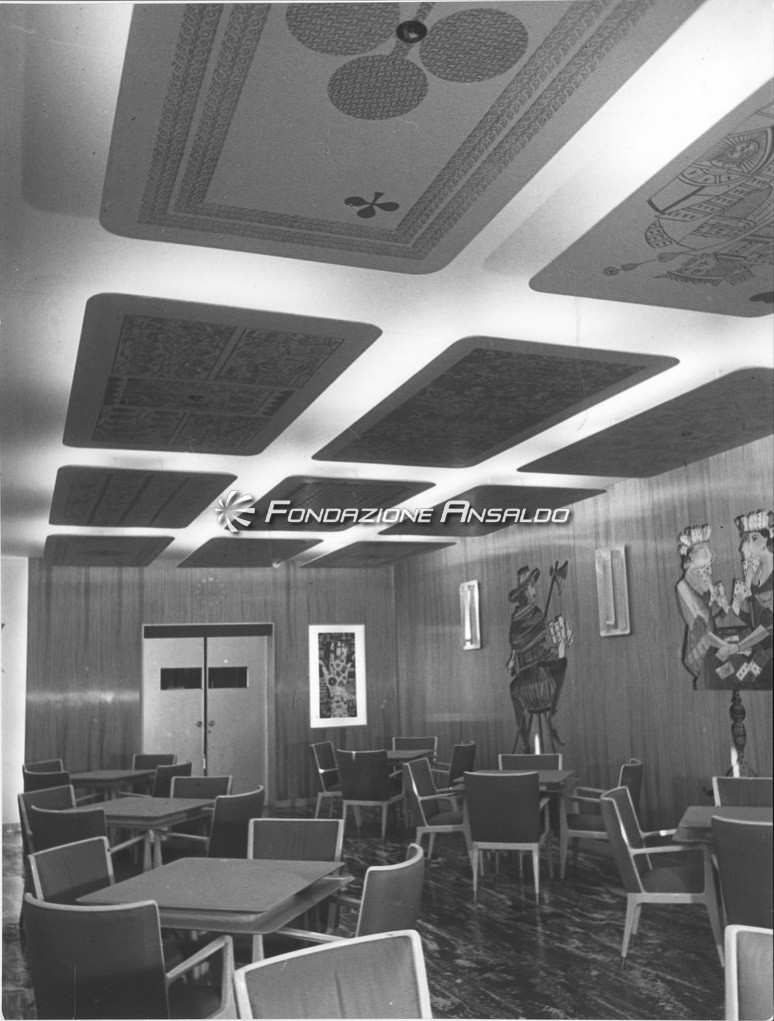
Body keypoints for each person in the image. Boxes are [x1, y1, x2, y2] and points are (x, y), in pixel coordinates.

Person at [507, 566, 572, 750]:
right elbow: (539, 653)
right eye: (531, 586)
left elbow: (520, 651)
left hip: (520, 686)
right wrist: (560, 650)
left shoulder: (516, 617)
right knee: (562, 663)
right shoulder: (535, 614)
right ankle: (551, 713)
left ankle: (527, 740)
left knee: (558, 659)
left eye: (533, 586)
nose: (534, 590)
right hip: (540, 686)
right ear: (525, 591)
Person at [675, 523, 736, 682]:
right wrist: (726, 645)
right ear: (690, 557)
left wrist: (725, 610)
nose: (709, 554)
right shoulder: (683, 587)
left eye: (708, 549)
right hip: (699, 653)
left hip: (714, 645)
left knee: (734, 675)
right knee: (719, 679)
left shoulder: (705, 581)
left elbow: (710, 621)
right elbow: (701, 628)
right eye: (702, 550)